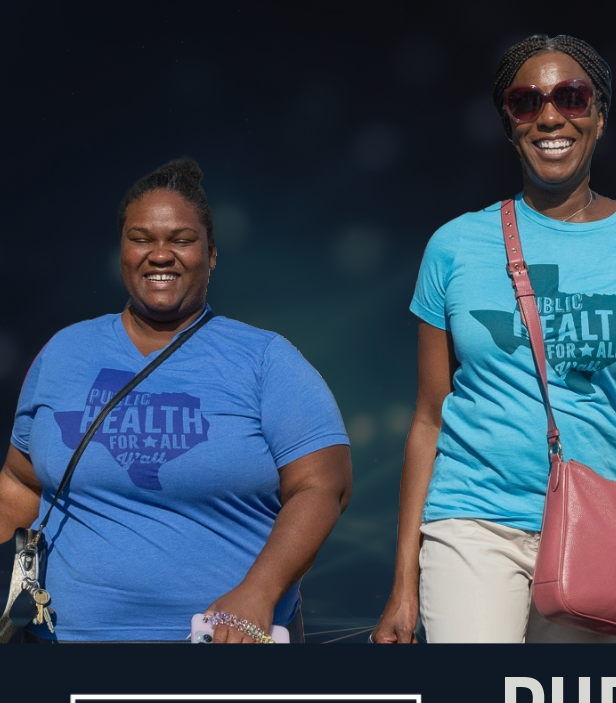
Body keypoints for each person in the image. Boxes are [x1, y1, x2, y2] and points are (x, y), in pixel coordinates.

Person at [373, 33, 616, 644]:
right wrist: (403, 583)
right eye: (525, 102)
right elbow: (429, 418)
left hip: (599, 532)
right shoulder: (455, 246)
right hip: (473, 522)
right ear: (509, 123)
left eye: (571, 96)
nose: (549, 117)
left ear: (599, 114)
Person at [0, 159, 352, 642]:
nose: (159, 254)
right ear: (122, 250)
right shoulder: (63, 352)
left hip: (219, 643)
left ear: (210, 255)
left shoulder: (265, 358)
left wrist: (259, 591)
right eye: (141, 238)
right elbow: (20, 482)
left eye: (181, 240)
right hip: (64, 645)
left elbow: (323, 486)